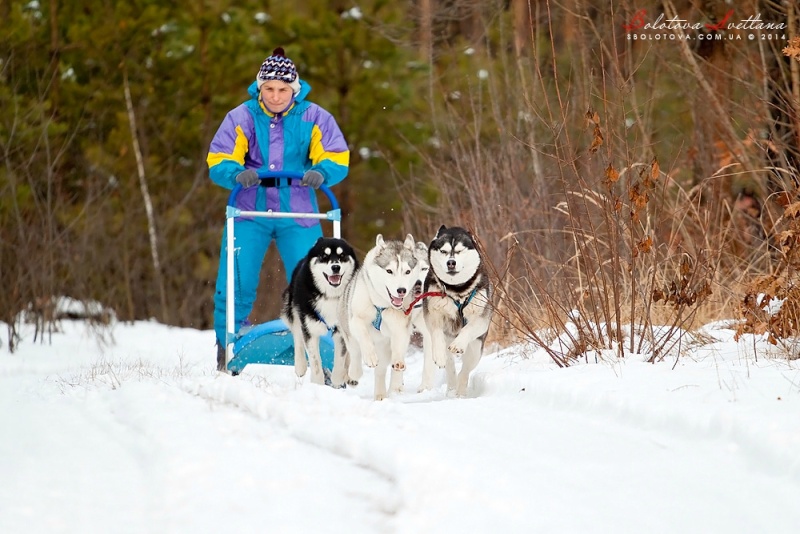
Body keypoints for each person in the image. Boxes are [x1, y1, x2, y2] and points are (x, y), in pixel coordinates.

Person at [207, 47, 350, 371]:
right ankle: (227, 348)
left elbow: (337, 156)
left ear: (294, 89)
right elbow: (219, 158)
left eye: (282, 89)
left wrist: (322, 171)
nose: (275, 96)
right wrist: (235, 172)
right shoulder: (241, 117)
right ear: (259, 88)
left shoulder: (314, 117)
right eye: (268, 89)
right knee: (235, 280)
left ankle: (325, 349)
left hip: (299, 211)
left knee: (318, 280)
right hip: (249, 209)